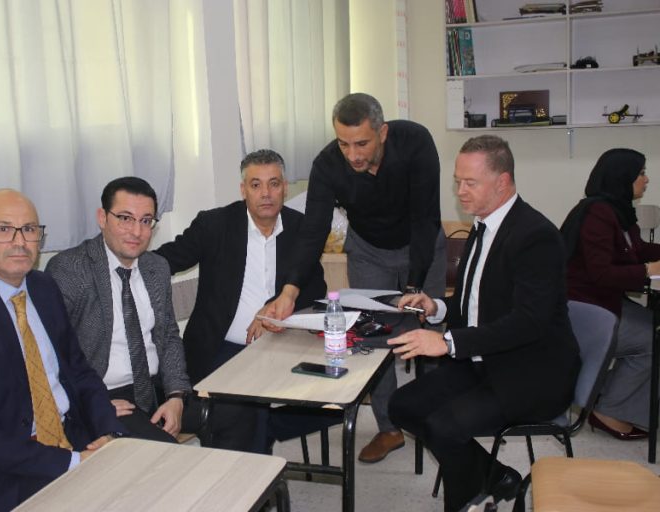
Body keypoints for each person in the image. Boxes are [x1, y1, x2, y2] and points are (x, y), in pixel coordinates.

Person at [389, 135, 581, 512]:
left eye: (470, 182)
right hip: (487, 360)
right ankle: (497, 476)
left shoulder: (536, 236)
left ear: (502, 182)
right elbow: (475, 304)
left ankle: (467, 502)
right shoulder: (482, 226)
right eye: (457, 181)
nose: (460, 191)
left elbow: (529, 322)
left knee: (446, 426)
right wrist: (436, 308)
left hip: (533, 372)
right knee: (403, 406)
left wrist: (448, 343)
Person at [263, 92, 446, 462]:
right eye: (344, 144)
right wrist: (289, 290)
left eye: (361, 143)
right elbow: (313, 230)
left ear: (383, 132)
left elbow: (425, 218)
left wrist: (414, 287)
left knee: (430, 331)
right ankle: (389, 428)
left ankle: (438, 421)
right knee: (373, 338)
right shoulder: (328, 164)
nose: (353, 155)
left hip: (421, 242)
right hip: (368, 251)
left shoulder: (415, 142)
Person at [0, 189, 124, 512]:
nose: (19, 241)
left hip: (70, 438)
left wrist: (108, 433)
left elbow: (80, 371)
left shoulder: (44, 288)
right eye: (3, 229)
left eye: (29, 229)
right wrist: (72, 462)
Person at [155, 149, 338, 453]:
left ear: (285, 188)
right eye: (256, 185)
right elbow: (166, 261)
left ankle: (268, 429)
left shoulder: (301, 228)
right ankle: (256, 467)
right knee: (247, 408)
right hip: (223, 348)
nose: (266, 193)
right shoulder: (215, 225)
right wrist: (123, 257)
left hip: (282, 344)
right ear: (243, 190)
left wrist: (276, 312)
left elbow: (314, 291)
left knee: (337, 393)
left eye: (274, 184)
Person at [46, 177, 191, 443]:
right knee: (165, 453)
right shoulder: (71, 269)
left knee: (230, 412)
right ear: (102, 218)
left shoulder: (156, 267)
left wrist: (176, 396)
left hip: (155, 386)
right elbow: (53, 351)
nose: (137, 231)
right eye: (125, 218)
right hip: (105, 393)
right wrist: (90, 402)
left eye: (146, 221)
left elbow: (169, 336)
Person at [560, 148, 660, 439]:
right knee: (653, 339)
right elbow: (601, 274)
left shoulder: (617, 210)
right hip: (583, 310)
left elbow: (637, 250)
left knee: (653, 326)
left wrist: (651, 261)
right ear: (622, 177)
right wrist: (647, 270)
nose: (646, 179)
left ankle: (612, 399)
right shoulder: (598, 214)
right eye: (641, 173)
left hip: (603, 301)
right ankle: (611, 411)